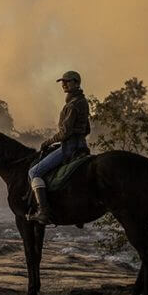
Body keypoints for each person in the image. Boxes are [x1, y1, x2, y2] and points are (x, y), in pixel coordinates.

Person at [27, 70, 91, 224]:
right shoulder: (83, 102)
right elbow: (87, 129)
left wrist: (48, 142)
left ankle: (44, 212)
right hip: (82, 146)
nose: (63, 84)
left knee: (34, 172)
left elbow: (65, 132)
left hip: (69, 148)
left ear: (76, 83)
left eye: (67, 81)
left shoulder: (73, 105)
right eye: (62, 81)